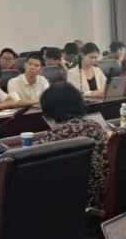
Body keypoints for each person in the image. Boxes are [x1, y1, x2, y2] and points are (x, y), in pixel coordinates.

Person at [39, 83, 109, 211]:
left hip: (72, 208)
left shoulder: (55, 136)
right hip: (103, 201)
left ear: (49, 112)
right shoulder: (95, 126)